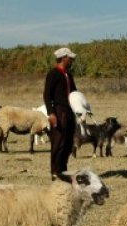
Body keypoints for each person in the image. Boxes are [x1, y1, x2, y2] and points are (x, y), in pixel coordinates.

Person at [43, 47, 77, 180]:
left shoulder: (69, 75)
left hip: (69, 112)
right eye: (70, 58)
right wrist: (51, 113)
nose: (72, 60)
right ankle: (55, 172)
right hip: (59, 111)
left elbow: (74, 94)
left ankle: (63, 169)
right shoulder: (53, 74)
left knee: (68, 143)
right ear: (63, 58)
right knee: (58, 142)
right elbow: (47, 95)